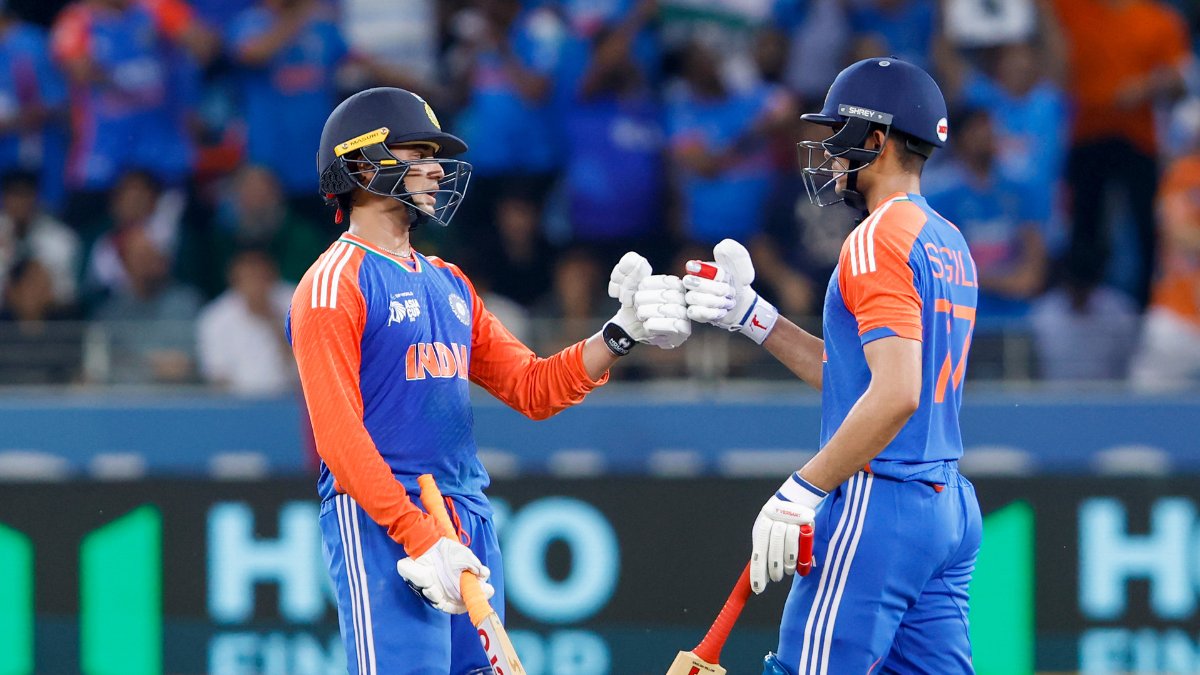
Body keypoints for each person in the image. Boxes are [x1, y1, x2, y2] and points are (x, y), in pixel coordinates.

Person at [286, 86, 690, 673]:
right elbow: (338, 438)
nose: (434, 169)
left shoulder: (450, 281)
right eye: (416, 153)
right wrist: (420, 536)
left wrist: (618, 335)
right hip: (385, 518)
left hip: (467, 513)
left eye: (433, 156)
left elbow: (533, 388)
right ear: (363, 166)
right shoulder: (333, 283)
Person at [680, 58, 982, 673]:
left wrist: (803, 488)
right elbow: (861, 378)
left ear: (877, 138)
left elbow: (895, 393)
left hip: (881, 499)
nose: (829, 151)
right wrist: (753, 316)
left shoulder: (875, 238)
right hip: (944, 502)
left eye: (840, 132)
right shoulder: (947, 239)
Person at [196, 247, 296, 396]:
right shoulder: (215, 318)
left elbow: (308, 366)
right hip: (239, 402)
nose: (255, 284)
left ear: (273, 275)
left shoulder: (296, 302)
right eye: (249, 277)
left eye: (261, 277)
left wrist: (274, 322)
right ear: (234, 279)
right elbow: (217, 376)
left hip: (292, 397)